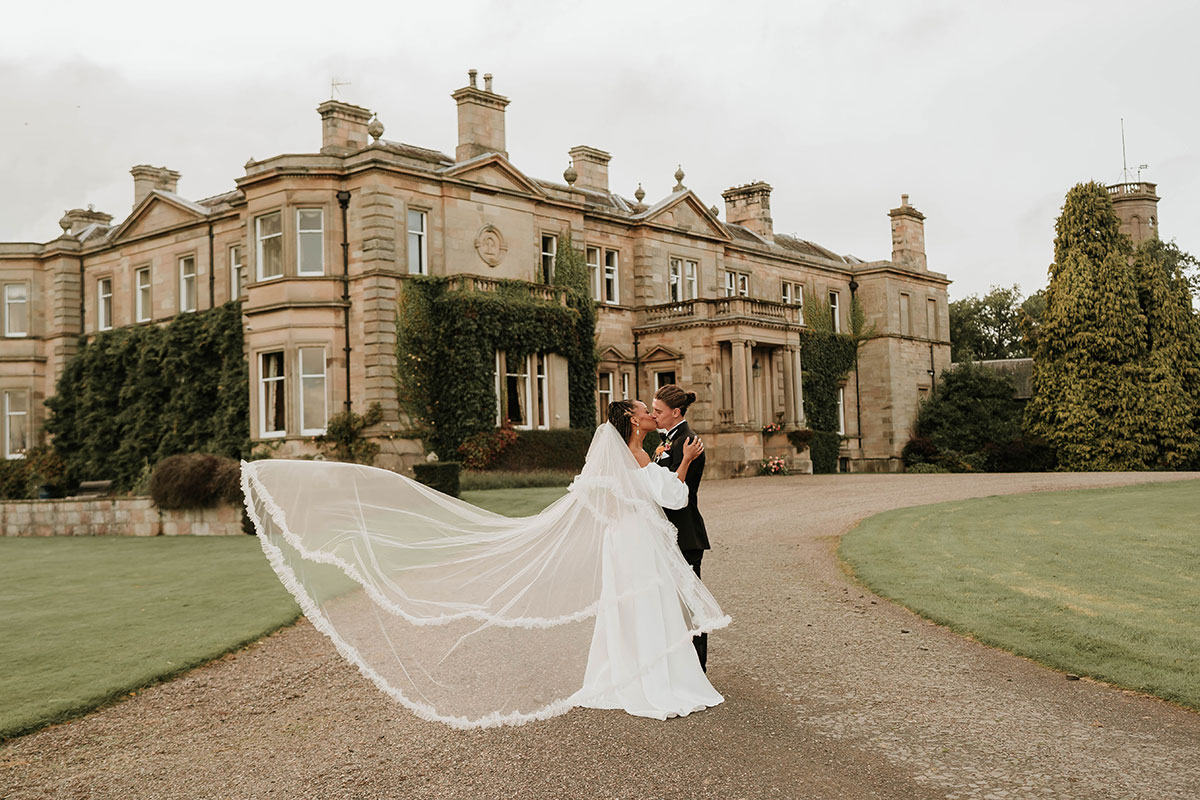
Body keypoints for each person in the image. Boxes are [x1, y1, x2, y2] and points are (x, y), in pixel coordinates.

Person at [240, 405, 729, 731]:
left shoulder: (631, 452)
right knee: (644, 604)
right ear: (630, 421)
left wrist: (654, 480)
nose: (649, 414)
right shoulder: (635, 452)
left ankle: (633, 676)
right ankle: (651, 681)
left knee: (637, 607)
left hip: (627, 542)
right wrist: (681, 465)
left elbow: (618, 496)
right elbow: (672, 495)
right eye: (644, 411)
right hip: (634, 544)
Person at [651, 384, 710, 670]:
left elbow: (680, 492)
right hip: (664, 532)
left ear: (675, 412)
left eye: (658, 411)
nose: (654, 415)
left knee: (691, 603)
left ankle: (698, 667)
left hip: (685, 533)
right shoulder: (666, 441)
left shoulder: (690, 442)